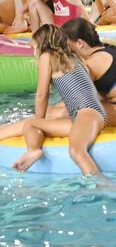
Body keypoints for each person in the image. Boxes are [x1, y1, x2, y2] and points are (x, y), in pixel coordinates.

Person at [5, 26, 106, 175]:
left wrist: (40, 123)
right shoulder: (75, 58)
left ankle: (103, 186)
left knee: (76, 151)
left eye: (34, 47)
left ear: (42, 45)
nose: (34, 52)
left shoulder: (47, 57)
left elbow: (42, 94)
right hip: (86, 115)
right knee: (31, 124)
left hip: (87, 113)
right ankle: (33, 152)